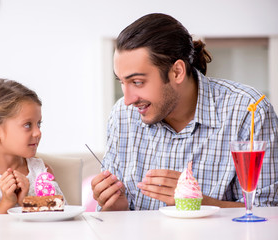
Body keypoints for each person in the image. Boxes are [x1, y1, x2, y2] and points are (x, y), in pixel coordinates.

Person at [91, 13, 278, 211]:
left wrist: (197, 203)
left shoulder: (248, 112)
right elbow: (112, 220)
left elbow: (268, 212)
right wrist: (114, 208)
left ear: (177, 72)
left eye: (137, 82)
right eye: (122, 82)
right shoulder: (122, 116)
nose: (128, 100)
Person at [0, 79, 64, 214]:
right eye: (27, 125)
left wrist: (26, 202)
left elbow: (60, 217)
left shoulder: (42, 173)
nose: (38, 132)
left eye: (38, 124)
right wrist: (6, 203)